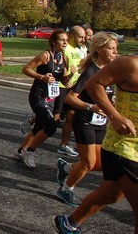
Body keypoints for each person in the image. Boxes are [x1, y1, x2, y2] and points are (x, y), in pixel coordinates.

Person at [53, 55, 138, 234]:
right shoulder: (130, 64)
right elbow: (93, 84)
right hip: (124, 146)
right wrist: (115, 116)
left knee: (111, 194)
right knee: (91, 164)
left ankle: (69, 223)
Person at [55, 32, 118, 207]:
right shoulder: (91, 71)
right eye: (111, 49)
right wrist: (92, 107)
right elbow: (70, 98)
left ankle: (66, 168)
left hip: (100, 123)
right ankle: (65, 189)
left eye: (116, 49)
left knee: (97, 164)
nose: (115, 53)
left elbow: (104, 96)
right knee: (88, 163)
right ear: (99, 49)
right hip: (85, 122)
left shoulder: (108, 71)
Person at [14, 29, 71, 168]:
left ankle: (21, 151)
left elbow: (61, 79)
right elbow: (26, 68)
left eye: (66, 40)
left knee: (39, 127)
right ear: (54, 42)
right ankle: (30, 151)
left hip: (51, 97)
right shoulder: (45, 56)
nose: (65, 42)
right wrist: (41, 77)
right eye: (62, 40)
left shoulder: (65, 58)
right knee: (51, 127)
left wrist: (68, 79)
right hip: (38, 95)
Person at [57, 26, 87, 158]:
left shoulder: (80, 50)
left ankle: (63, 145)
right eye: (80, 37)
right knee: (55, 117)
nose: (83, 39)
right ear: (72, 36)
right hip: (62, 85)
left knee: (70, 115)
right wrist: (65, 79)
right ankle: (32, 122)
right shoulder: (66, 48)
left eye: (84, 37)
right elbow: (58, 67)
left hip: (74, 86)